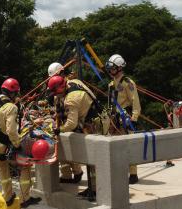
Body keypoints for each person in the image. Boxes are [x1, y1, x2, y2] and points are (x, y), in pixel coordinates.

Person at [0, 77, 40, 208]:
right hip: (4, 146)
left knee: (3, 169)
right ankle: (25, 198)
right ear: (13, 93)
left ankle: (8, 197)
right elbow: (11, 131)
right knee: (25, 166)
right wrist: (17, 145)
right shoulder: (11, 108)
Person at [49, 74, 100, 200]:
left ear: (61, 88)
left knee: (92, 157)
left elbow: (71, 124)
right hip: (94, 118)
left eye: (56, 92)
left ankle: (94, 189)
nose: (56, 95)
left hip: (92, 124)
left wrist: (58, 130)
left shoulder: (72, 99)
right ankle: (93, 187)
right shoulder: (72, 82)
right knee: (91, 158)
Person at [105, 54, 142, 184]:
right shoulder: (111, 84)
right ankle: (118, 171)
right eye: (110, 69)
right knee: (114, 146)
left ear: (119, 68)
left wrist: (134, 118)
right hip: (114, 117)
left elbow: (135, 101)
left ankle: (133, 174)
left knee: (128, 146)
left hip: (126, 117)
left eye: (113, 69)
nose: (111, 71)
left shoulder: (128, 83)